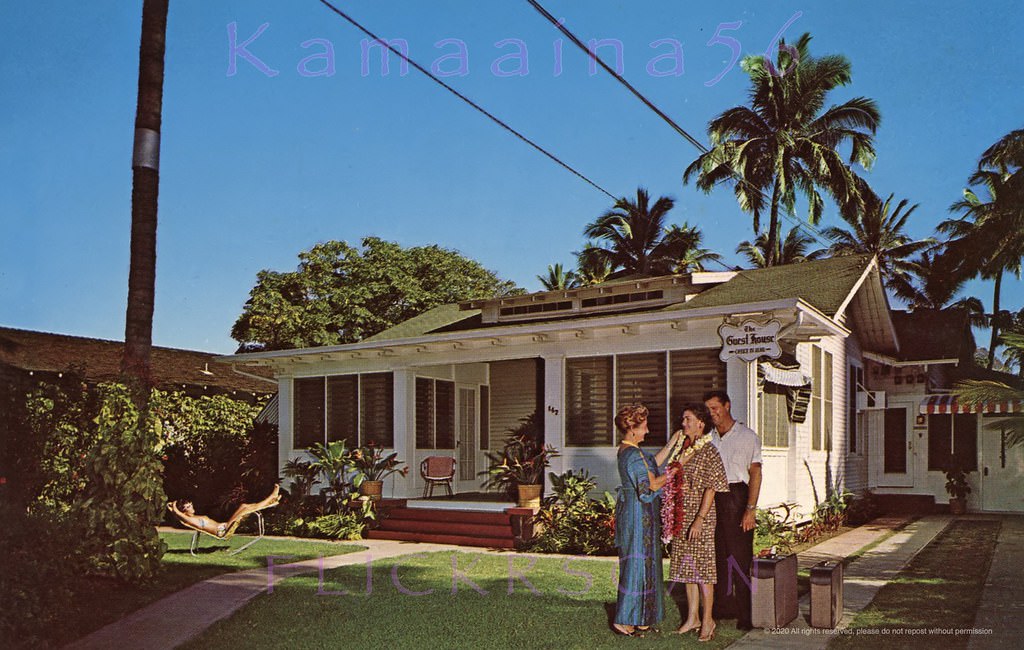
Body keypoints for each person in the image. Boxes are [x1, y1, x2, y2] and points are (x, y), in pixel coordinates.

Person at [612, 404, 682, 637]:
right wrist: (679, 468)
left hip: (639, 513)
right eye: (644, 426)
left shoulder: (630, 450)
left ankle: (641, 618)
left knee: (645, 563)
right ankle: (624, 620)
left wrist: (673, 443)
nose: (648, 430)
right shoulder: (632, 455)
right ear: (632, 429)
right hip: (637, 514)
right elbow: (651, 484)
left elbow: (653, 463)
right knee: (636, 564)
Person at [667, 403, 729, 642]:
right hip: (682, 515)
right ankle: (692, 617)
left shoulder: (709, 450)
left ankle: (707, 620)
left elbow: (712, 488)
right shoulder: (684, 450)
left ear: (701, 424)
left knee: (702, 569)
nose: (683, 424)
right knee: (687, 567)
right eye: (683, 419)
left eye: (688, 419)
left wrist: (700, 520)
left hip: (699, 516)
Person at [704, 390, 762, 631]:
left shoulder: (747, 436)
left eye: (715, 408)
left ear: (727, 406)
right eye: (708, 410)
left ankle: (747, 614)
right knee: (718, 556)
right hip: (713, 497)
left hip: (737, 497)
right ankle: (722, 608)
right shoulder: (709, 438)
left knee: (740, 557)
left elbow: (756, 473)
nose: (712, 413)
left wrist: (750, 509)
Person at [168, 484, 281, 537]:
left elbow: (176, 513)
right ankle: (271, 498)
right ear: (183, 511)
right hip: (222, 530)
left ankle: (270, 499)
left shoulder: (192, 517)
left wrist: (172, 508)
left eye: (191, 504)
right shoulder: (189, 520)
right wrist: (174, 506)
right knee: (245, 508)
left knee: (244, 506)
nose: (192, 507)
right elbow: (178, 514)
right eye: (188, 507)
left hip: (224, 526)